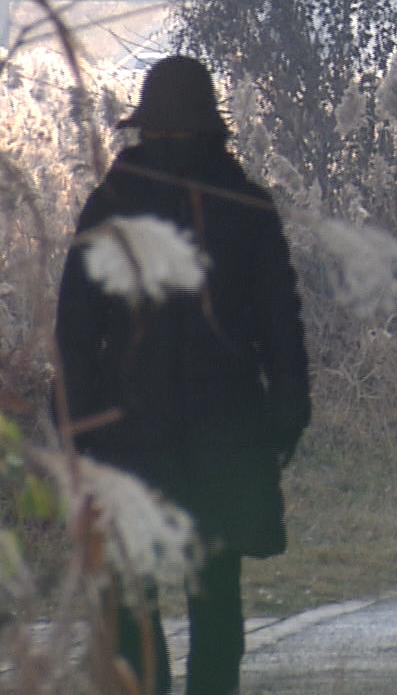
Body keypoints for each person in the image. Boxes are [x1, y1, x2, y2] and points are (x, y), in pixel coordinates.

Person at [55, 55, 310, 695]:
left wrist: (77, 419)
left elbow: (76, 328)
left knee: (131, 590)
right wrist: (287, 410)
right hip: (226, 425)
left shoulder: (108, 206)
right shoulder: (245, 204)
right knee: (216, 586)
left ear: (145, 126)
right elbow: (282, 319)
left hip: (127, 426)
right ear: (211, 125)